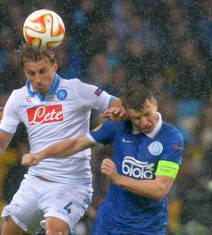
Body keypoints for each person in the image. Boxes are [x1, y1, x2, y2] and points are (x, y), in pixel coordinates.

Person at [0, 45, 124, 235]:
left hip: (72, 183)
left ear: (55, 66)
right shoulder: (18, 99)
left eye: (43, 71)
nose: (38, 79)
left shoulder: (76, 89)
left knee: (54, 230)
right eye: (31, 73)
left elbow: (120, 105)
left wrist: (103, 127)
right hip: (35, 181)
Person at [22, 83, 184, 235]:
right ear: (127, 113)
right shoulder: (118, 126)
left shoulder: (171, 138)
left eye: (147, 114)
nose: (144, 122)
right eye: (137, 118)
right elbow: (76, 143)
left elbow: (160, 190)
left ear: (155, 104)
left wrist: (119, 179)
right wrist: (41, 154)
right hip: (109, 222)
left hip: (147, 227)